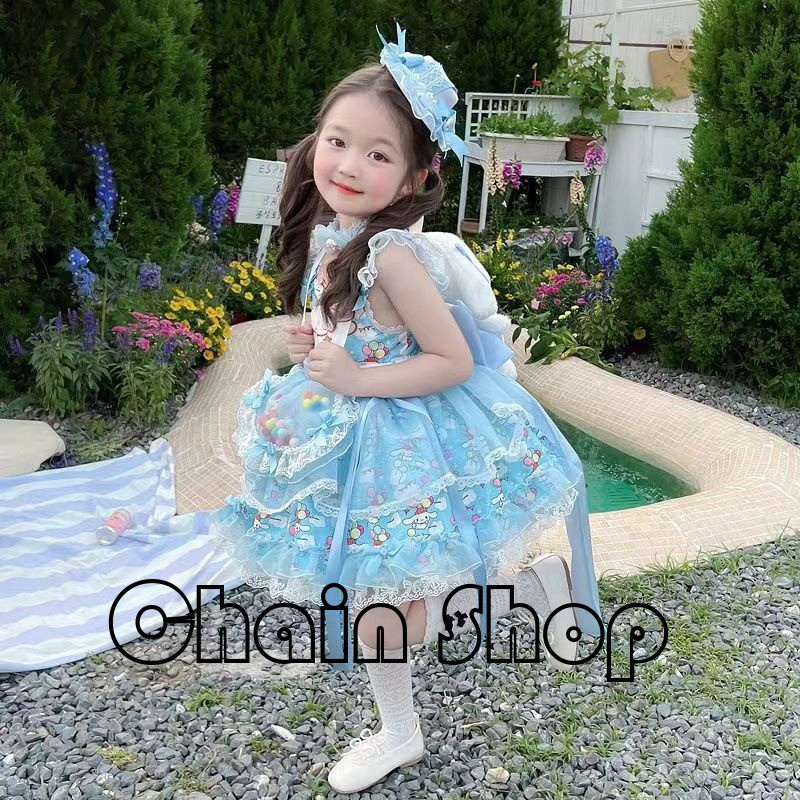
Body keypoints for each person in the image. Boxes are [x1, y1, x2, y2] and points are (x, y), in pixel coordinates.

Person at [211, 23, 602, 794]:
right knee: (371, 592)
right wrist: (321, 339)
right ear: (316, 141)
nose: (349, 165)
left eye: (378, 154)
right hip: (347, 428)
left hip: (399, 433)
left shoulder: (394, 255)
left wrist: (356, 377)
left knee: (385, 604)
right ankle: (408, 718)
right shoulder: (337, 236)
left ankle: (517, 606)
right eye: (338, 141)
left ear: (415, 174)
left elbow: (449, 358)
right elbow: (356, 327)